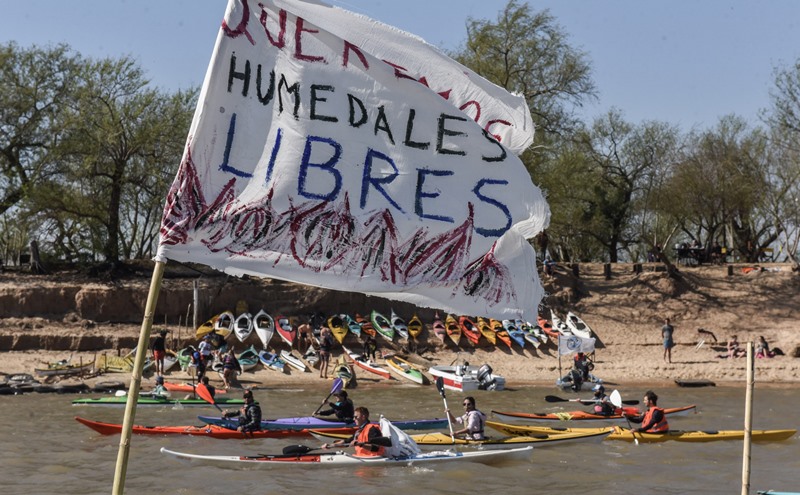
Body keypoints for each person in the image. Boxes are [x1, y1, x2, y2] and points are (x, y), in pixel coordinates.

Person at [321, 406, 387, 457]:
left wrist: (360, 444)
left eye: (356, 417)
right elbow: (346, 442)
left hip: (374, 458)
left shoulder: (372, 429)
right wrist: (330, 445)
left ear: (363, 417)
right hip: (363, 458)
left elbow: (376, 448)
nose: (353, 419)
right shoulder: (359, 431)